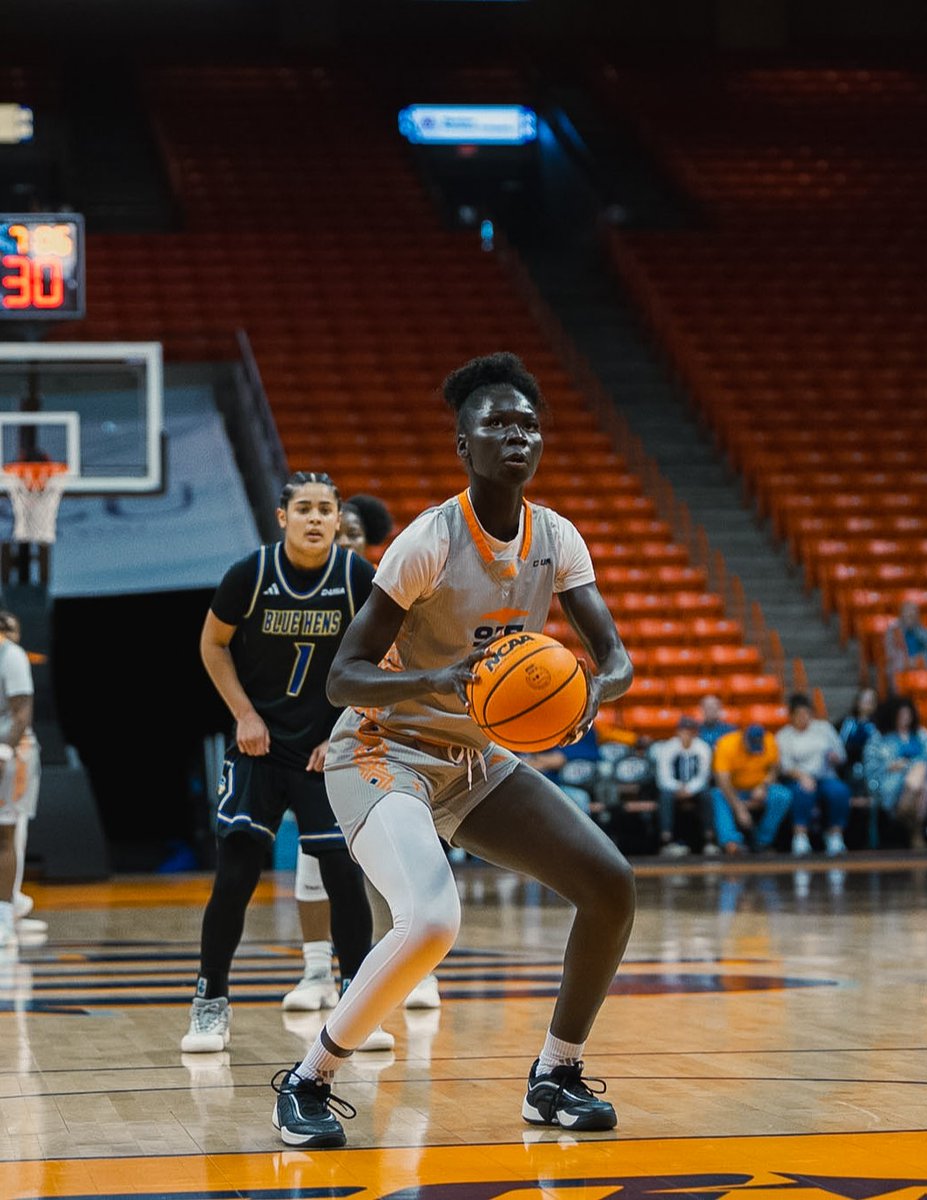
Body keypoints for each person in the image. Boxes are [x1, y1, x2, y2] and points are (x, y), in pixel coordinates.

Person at [269, 351, 636, 1148]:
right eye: (496, 423)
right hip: (382, 747)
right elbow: (343, 679)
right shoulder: (427, 541)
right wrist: (441, 678)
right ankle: (308, 1081)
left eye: (528, 424)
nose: (517, 434)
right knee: (433, 918)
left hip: (475, 762)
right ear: (462, 445)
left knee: (609, 885)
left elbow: (615, 659)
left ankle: (555, 1075)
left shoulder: (558, 537)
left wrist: (588, 699)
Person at [181, 472, 376, 1054]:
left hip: (325, 750)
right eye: (305, 508)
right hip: (259, 747)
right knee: (236, 871)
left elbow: (387, 656)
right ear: (282, 516)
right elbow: (211, 644)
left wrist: (346, 730)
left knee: (344, 874)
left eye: (326, 509)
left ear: (339, 519)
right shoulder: (251, 574)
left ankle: (356, 1005)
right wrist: (243, 714)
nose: (316, 519)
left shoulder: (357, 577)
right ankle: (210, 1000)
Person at [282, 493, 403, 1025]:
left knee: (392, 862)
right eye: (340, 529)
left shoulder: (392, 592)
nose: (345, 538)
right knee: (316, 857)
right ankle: (315, 972)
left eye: (354, 532)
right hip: (316, 741)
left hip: (381, 737)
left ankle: (415, 970)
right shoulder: (307, 590)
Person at [0, 612, 45, 937]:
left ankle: (6, 911)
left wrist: (3, 750)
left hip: (13, 755)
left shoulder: (11, 656)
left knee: (10, 834)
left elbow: (22, 712)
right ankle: (10, 903)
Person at [863, 695, 927, 850]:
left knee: (922, 775)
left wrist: (906, 765)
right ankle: (916, 832)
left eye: (908, 715)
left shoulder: (921, 735)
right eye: (901, 715)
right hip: (889, 782)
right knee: (922, 782)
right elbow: (871, 767)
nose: (905, 719)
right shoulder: (879, 738)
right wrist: (891, 766)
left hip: (919, 781)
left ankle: (907, 814)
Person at [776, 694, 851, 857]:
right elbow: (784, 766)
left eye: (807, 714)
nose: (804, 718)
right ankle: (800, 836)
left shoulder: (824, 728)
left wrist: (835, 758)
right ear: (791, 716)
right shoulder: (783, 736)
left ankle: (835, 835)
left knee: (839, 791)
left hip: (826, 776)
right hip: (798, 778)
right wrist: (802, 776)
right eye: (799, 714)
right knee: (803, 791)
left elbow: (841, 755)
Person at [710, 724, 792, 855]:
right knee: (716, 795)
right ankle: (731, 842)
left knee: (782, 795)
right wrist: (739, 807)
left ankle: (762, 841)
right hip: (733, 790)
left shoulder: (769, 740)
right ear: (743, 738)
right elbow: (722, 780)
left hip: (758, 789)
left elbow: (774, 767)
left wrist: (764, 786)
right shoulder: (726, 744)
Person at [652, 715, 716, 856]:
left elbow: (703, 776)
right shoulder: (668, 747)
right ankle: (666, 841)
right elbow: (663, 776)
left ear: (695, 732)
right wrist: (678, 788)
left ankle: (709, 840)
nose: (686, 734)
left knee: (707, 795)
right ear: (678, 732)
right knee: (665, 796)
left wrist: (689, 789)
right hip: (673, 787)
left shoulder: (703, 747)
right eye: (683, 730)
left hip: (695, 788)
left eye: (690, 731)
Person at [883, 601, 927, 688]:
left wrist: (918, 661)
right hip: (900, 665)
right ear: (902, 616)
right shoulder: (893, 631)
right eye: (908, 615)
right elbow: (890, 652)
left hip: (923, 665)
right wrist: (908, 662)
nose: (911, 618)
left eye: (913, 615)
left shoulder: (924, 632)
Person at [837, 686, 879, 793]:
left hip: (870, 766)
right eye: (864, 699)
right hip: (847, 765)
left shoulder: (878, 725)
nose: (866, 704)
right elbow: (840, 744)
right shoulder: (847, 722)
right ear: (857, 701)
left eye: (870, 701)